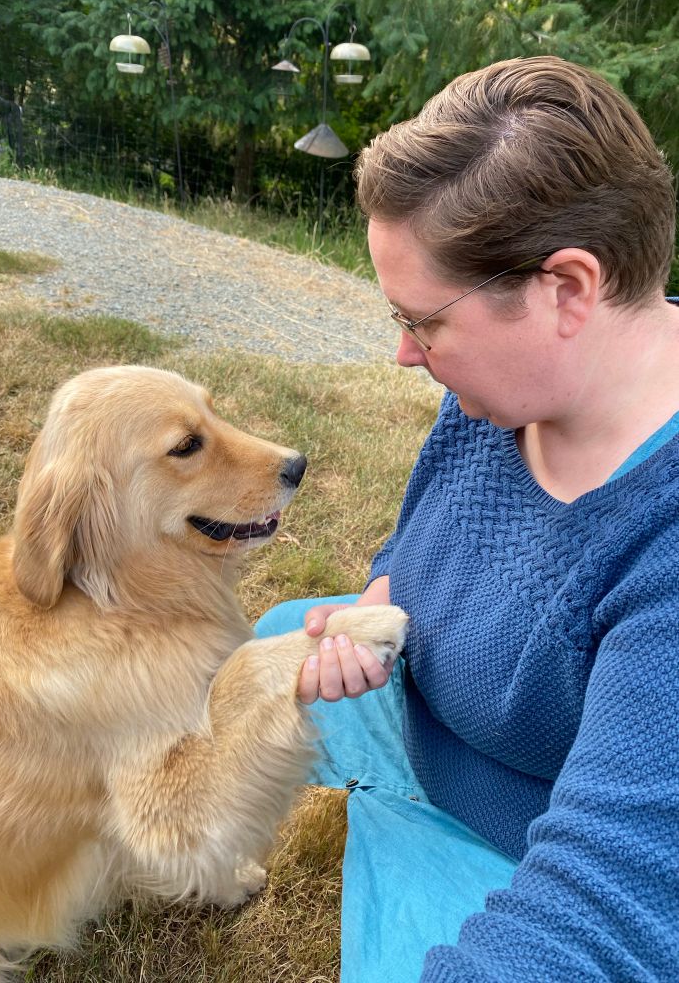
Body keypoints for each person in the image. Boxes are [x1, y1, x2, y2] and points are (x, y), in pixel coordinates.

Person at [256, 56, 679, 982]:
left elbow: (609, 905)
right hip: (421, 715)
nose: (405, 354)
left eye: (424, 322)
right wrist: (378, 600)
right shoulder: (510, 388)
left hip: (523, 846)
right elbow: (419, 542)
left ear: (567, 290)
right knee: (233, 659)